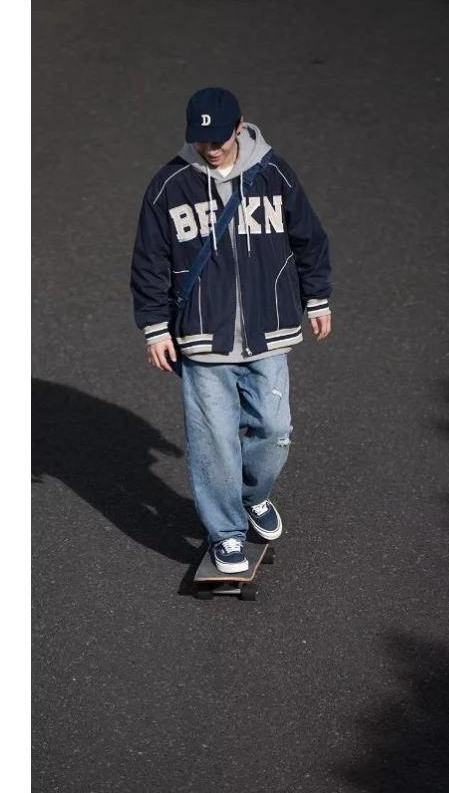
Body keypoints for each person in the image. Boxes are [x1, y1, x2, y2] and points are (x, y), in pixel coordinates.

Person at [130, 87, 332, 573]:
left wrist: (316, 297)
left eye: (220, 137)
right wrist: (156, 329)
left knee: (274, 429)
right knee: (213, 441)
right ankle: (225, 532)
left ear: (239, 126)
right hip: (201, 335)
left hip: (269, 330)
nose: (212, 146)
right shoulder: (168, 186)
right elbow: (149, 262)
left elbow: (308, 237)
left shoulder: (274, 173)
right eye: (202, 139)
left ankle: (251, 494)